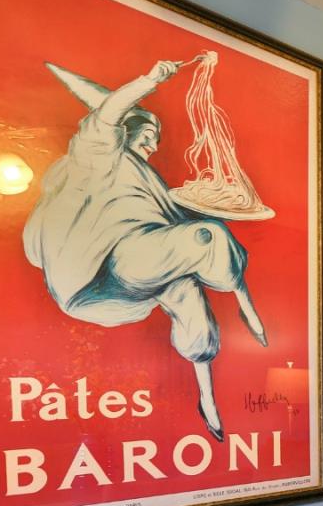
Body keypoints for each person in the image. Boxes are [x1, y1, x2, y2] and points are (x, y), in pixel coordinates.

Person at [22, 58, 266, 441]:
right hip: (101, 270)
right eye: (148, 133)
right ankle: (244, 303)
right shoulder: (97, 158)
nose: (154, 143)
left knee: (187, 290)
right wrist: (149, 80)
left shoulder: (148, 182)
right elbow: (107, 117)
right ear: (124, 131)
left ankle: (208, 398)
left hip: (131, 278)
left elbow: (171, 222)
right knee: (206, 236)